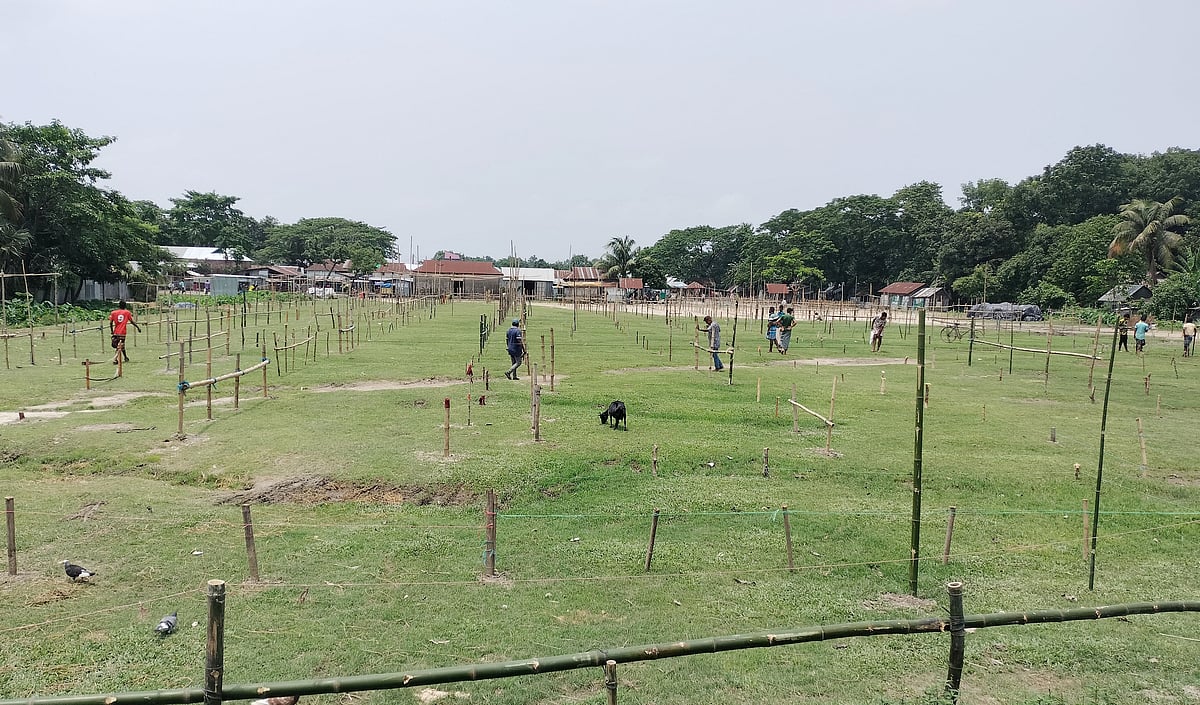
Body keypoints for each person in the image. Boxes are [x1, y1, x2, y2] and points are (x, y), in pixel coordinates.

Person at [108, 300, 142, 364]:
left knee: (121, 346)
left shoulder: (113, 313)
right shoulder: (127, 312)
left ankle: (125, 357)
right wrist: (138, 327)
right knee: (120, 346)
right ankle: (115, 359)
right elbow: (131, 321)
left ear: (119, 305)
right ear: (125, 306)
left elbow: (110, 323)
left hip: (116, 332)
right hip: (122, 332)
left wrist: (112, 331)